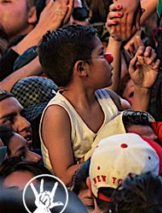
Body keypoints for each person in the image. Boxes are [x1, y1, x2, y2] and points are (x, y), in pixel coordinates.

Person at [38, 24, 128, 183]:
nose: (110, 58)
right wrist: (115, 152)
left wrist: (142, 88)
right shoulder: (58, 114)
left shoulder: (108, 99)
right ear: (81, 68)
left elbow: (138, 127)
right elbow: (65, 176)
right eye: (101, 54)